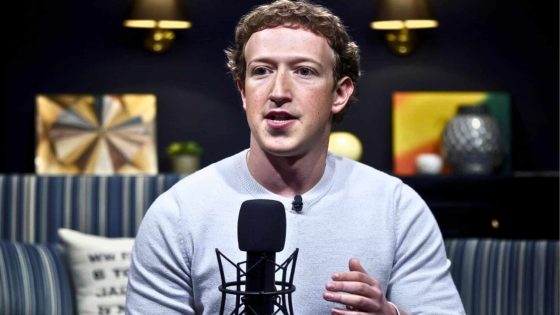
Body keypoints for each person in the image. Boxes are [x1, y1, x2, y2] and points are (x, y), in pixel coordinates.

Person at [125, 0, 466, 314]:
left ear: (340, 93)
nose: (278, 92)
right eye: (262, 71)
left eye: (304, 71)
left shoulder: (396, 208)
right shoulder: (178, 213)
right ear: (243, 91)